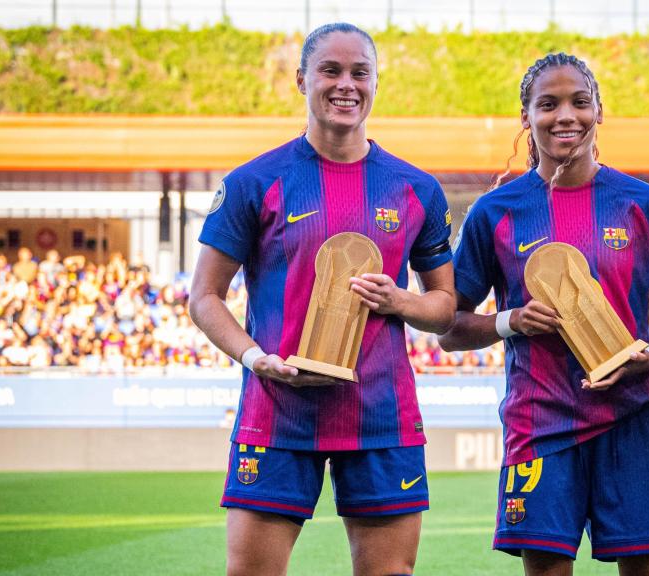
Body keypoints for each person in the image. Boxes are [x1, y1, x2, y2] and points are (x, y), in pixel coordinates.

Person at [189, 23, 455, 576]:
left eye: (360, 72)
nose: (346, 85)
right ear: (300, 80)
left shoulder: (416, 189)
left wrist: (399, 301)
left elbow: (444, 306)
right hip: (278, 409)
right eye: (330, 71)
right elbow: (206, 297)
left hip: (379, 414)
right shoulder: (253, 182)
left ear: (376, 81)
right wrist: (255, 358)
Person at [439, 53, 649, 576]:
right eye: (548, 104)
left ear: (599, 110)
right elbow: (450, 327)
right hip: (540, 423)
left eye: (579, 102)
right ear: (527, 116)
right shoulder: (496, 211)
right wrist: (510, 321)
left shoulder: (645, 204)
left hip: (630, 417)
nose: (565, 116)